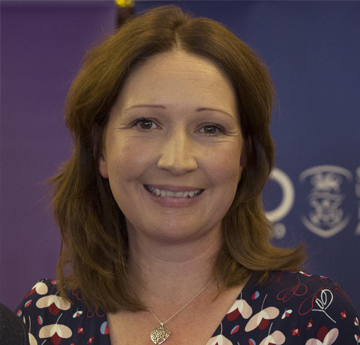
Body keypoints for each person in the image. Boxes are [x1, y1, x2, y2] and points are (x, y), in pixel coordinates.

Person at [16, 5, 359, 345]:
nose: (177, 161)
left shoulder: (314, 318)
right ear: (100, 150)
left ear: (246, 154)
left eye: (210, 128)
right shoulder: (43, 320)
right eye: (146, 123)